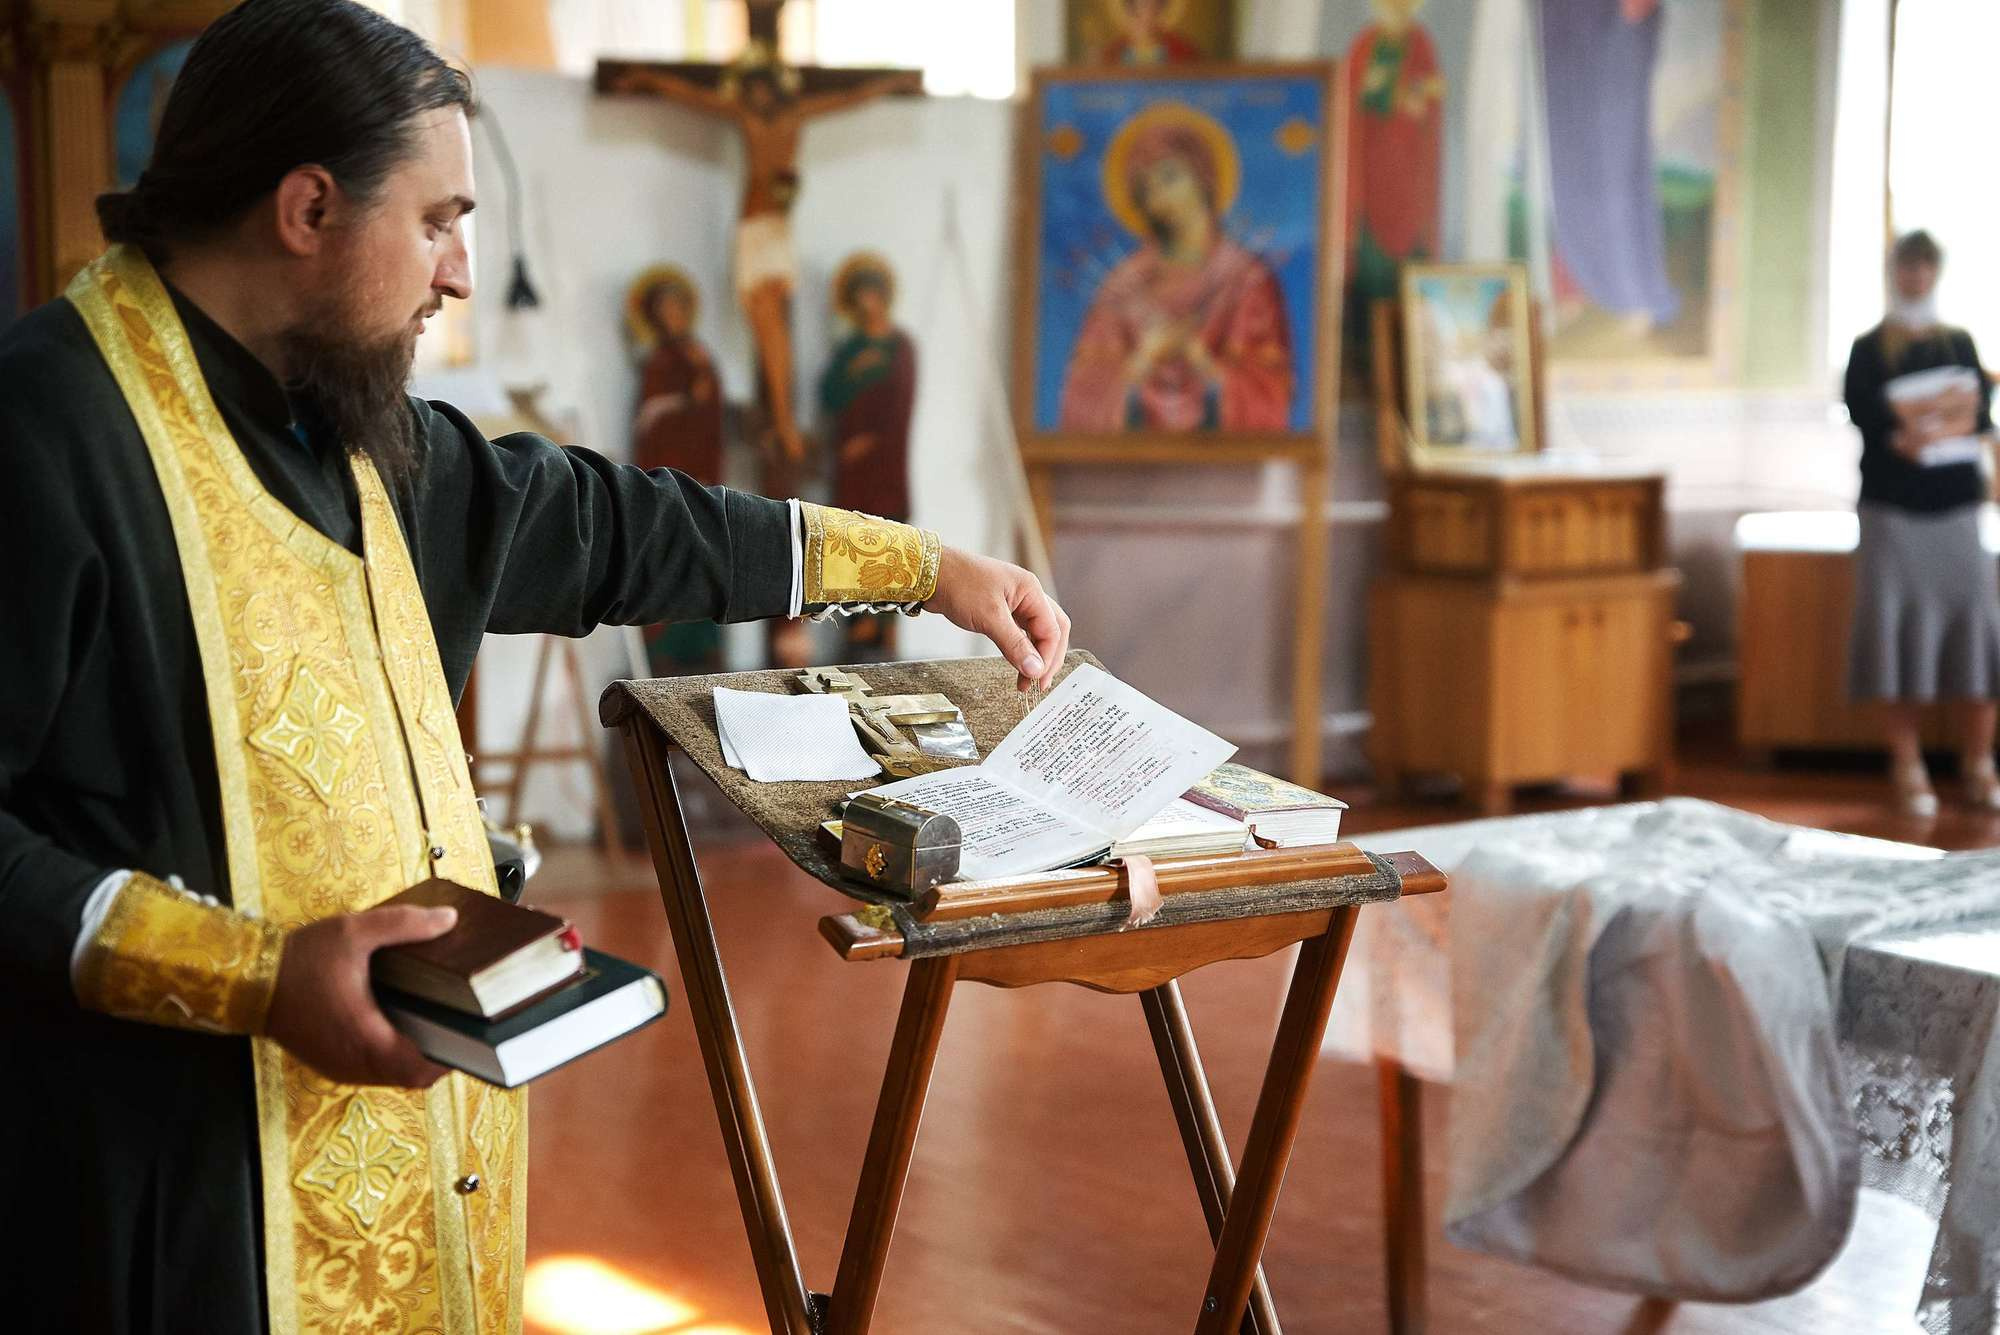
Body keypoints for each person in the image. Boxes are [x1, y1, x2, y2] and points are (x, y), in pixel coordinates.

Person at [0, 3, 1069, 1331]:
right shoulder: (49, 426)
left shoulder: (340, 415)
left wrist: (924, 567)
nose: (459, 271)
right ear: (308, 209)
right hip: (174, 1197)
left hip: (426, 1157)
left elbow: (618, 525)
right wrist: (256, 972)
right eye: (439, 219)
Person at [1843, 230, 1998, 818]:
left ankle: (1979, 764)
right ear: (1894, 272)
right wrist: (1900, 437)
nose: (1915, 277)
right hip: (1893, 509)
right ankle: (1907, 767)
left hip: (1955, 509)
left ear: (1936, 272)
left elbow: (1978, 413)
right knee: (1896, 637)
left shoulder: (1959, 342)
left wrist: (1952, 423)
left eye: (1924, 267)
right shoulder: (1868, 348)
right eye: (1906, 267)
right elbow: (1862, 416)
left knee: (1977, 635)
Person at [1058, 107, 1293, 433]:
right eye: (1147, 190)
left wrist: (1199, 358)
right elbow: (1081, 396)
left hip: (1228, 473)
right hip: (1126, 472)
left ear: (1204, 176)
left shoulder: (1245, 279)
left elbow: (1270, 391)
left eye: (1169, 178)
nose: (1160, 198)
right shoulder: (1124, 284)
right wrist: (1143, 358)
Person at [820, 253, 919, 659]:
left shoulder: (901, 347)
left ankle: (885, 627)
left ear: (883, 297)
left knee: (891, 540)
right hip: (851, 467)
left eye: (872, 294)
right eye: (859, 296)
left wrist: (875, 441)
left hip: (886, 461)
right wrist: (856, 369)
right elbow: (829, 396)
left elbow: (903, 402)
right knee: (852, 539)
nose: (867, 303)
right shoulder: (850, 349)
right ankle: (856, 624)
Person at [630, 266, 727, 673]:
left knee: (703, 561)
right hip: (665, 476)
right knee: (667, 559)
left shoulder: (700, 356)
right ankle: (666, 654)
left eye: (676, 307)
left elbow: (711, 416)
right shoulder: (657, 361)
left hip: (700, 476)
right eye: (663, 310)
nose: (671, 316)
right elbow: (649, 422)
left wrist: (695, 398)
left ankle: (702, 652)